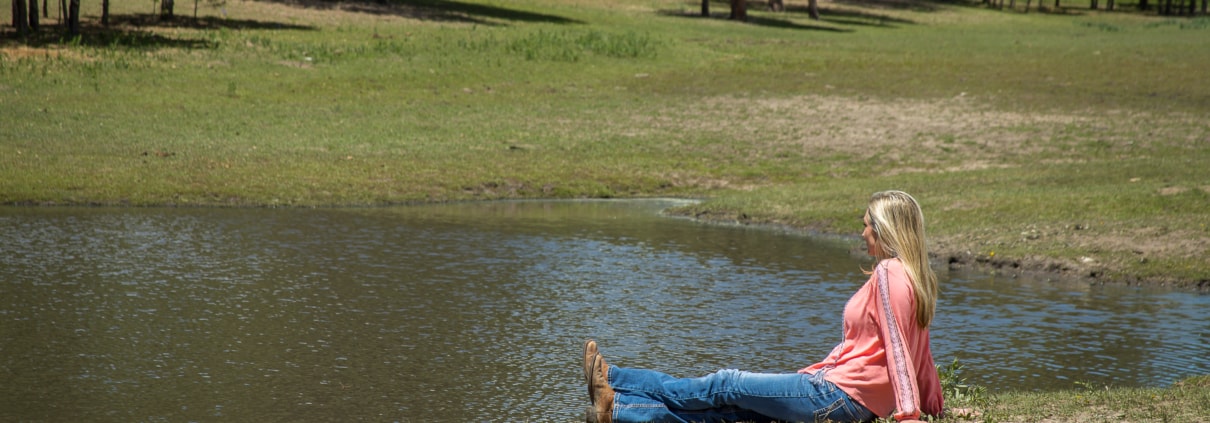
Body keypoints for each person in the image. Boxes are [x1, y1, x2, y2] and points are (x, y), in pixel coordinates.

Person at [581, 190, 945, 423]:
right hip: (841, 395)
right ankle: (619, 410)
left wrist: (910, 416)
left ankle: (615, 379)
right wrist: (936, 407)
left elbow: (900, 350)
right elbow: (920, 354)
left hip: (838, 397)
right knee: (731, 413)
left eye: (866, 226)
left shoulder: (888, 273)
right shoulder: (914, 277)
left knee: (727, 384)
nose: (862, 233)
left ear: (884, 230)